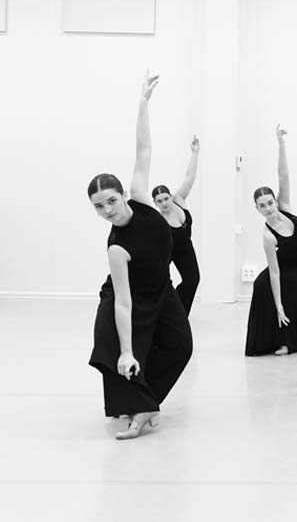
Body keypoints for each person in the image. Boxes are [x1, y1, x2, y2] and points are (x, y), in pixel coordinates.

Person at [87, 72, 193, 440]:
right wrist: (127, 352)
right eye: (99, 207)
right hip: (126, 298)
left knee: (181, 347)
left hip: (162, 290)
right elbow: (124, 303)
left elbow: (143, 149)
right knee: (120, 352)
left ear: (123, 194)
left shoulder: (142, 198)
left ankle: (147, 401)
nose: (108, 210)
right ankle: (139, 407)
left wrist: (143, 103)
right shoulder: (117, 247)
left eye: (111, 201)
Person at [245, 125, 297, 356]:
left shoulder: (285, 207)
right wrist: (278, 306)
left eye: (269, 202)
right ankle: (279, 339)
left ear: (275, 201)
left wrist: (281, 143)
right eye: (262, 206)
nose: (268, 208)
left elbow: (284, 175)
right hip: (286, 271)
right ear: (257, 209)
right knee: (262, 286)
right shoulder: (268, 235)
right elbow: (275, 272)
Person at [151, 136, 201, 315]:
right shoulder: (157, 218)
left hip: (185, 248)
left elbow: (190, 176)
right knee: (160, 283)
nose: (164, 203)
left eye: (166, 198)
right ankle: (162, 313)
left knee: (193, 279)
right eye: (160, 201)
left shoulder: (179, 200)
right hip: (166, 251)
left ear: (170, 196)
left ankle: (179, 312)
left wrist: (195, 153)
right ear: (155, 203)